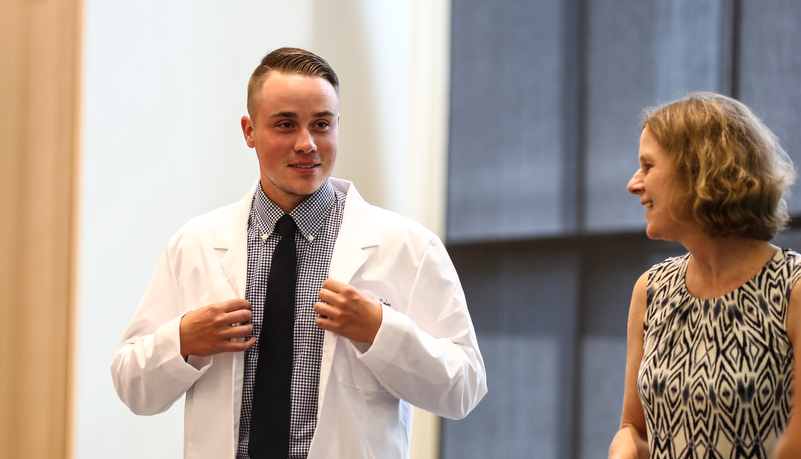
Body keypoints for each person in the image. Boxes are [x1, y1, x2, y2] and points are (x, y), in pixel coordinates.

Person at [111, 47, 487, 459]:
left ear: (337, 127)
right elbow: (133, 388)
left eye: (321, 124)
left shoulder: (408, 248)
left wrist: (381, 330)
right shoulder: (195, 245)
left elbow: (463, 389)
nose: (306, 143)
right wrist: (183, 340)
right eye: (286, 125)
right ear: (249, 131)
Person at [608, 92, 801, 459]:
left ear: (700, 171)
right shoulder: (651, 290)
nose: (634, 184)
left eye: (648, 166)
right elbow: (634, 429)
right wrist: (625, 450)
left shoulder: (794, 289)